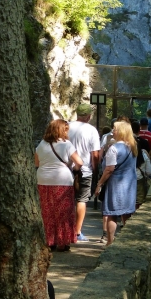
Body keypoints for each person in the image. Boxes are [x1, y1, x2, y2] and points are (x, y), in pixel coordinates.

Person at [35, 119, 83, 252]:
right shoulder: (66, 145)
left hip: (43, 180)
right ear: (61, 130)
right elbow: (79, 162)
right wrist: (74, 168)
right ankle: (63, 241)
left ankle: (50, 240)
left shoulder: (41, 144)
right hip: (62, 180)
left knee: (47, 211)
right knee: (63, 212)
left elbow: (37, 163)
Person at [95, 121, 138, 246]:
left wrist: (99, 184)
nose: (113, 131)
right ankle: (128, 241)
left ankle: (110, 241)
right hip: (129, 185)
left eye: (115, 129)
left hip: (116, 184)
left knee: (111, 213)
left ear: (122, 132)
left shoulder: (114, 149)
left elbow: (109, 169)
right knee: (126, 213)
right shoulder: (132, 146)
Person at [68, 103, 101, 243]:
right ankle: (77, 232)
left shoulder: (67, 126)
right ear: (88, 116)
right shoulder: (92, 130)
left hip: (67, 169)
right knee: (81, 200)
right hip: (85, 170)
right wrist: (95, 168)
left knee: (68, 199)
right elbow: (95, 154)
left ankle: (66, 230)